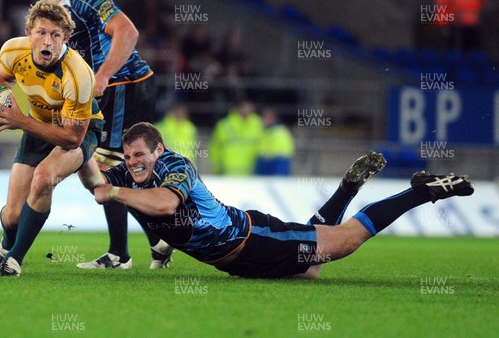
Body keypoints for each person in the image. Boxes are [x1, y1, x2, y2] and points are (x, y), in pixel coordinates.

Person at [92, 122, 474, 279]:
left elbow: (165, 205)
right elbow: (93, 178)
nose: (132, 163)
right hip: (238, 261)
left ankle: (423, 190)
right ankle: (347, 188)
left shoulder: (177, 164)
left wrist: (114, 192)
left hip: (253, 238)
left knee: (342, 242)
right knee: (311, 269)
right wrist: (76, 149)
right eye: (127, 157)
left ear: (158, 149)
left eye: (140, 155)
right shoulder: (129, 173)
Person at [27, 0, 171, 271]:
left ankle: (124, 253)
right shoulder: (51, 7)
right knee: (96, 169)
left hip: (125, 86)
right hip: (108, 91)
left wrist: (103, 76)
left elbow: (128, 31)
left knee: (105, 170)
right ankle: (157, 240)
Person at [0, 0, 104, 277]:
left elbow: (71, 139)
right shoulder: (11, 51)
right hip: (37, 124)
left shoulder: (79, 75)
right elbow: (3, 79)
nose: (47, 41)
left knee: (44, 179)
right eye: (41, 33)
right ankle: (7, 246)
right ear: (28, 33)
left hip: (80, 130)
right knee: (12, 216)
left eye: (55, 35)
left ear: (66, 37)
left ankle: (14, 260)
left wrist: (19, 121)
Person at [209, 100, 263, 175]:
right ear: (238, 109)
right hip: (229, 168)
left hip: (251, 168)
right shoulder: (224, 125)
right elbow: (215, 147)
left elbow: (261, 143)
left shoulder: (257, 123)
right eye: (245, 108)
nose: (247, 110)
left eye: (250, 108)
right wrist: (216, 166)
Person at [255, 106, 295, 176]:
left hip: (276, 164)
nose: (264, 120)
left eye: (267, 118)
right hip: (265, 164)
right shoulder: (265, 132)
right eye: (264, 117)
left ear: (273, 119)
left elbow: (283, 155)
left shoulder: (280, 132)